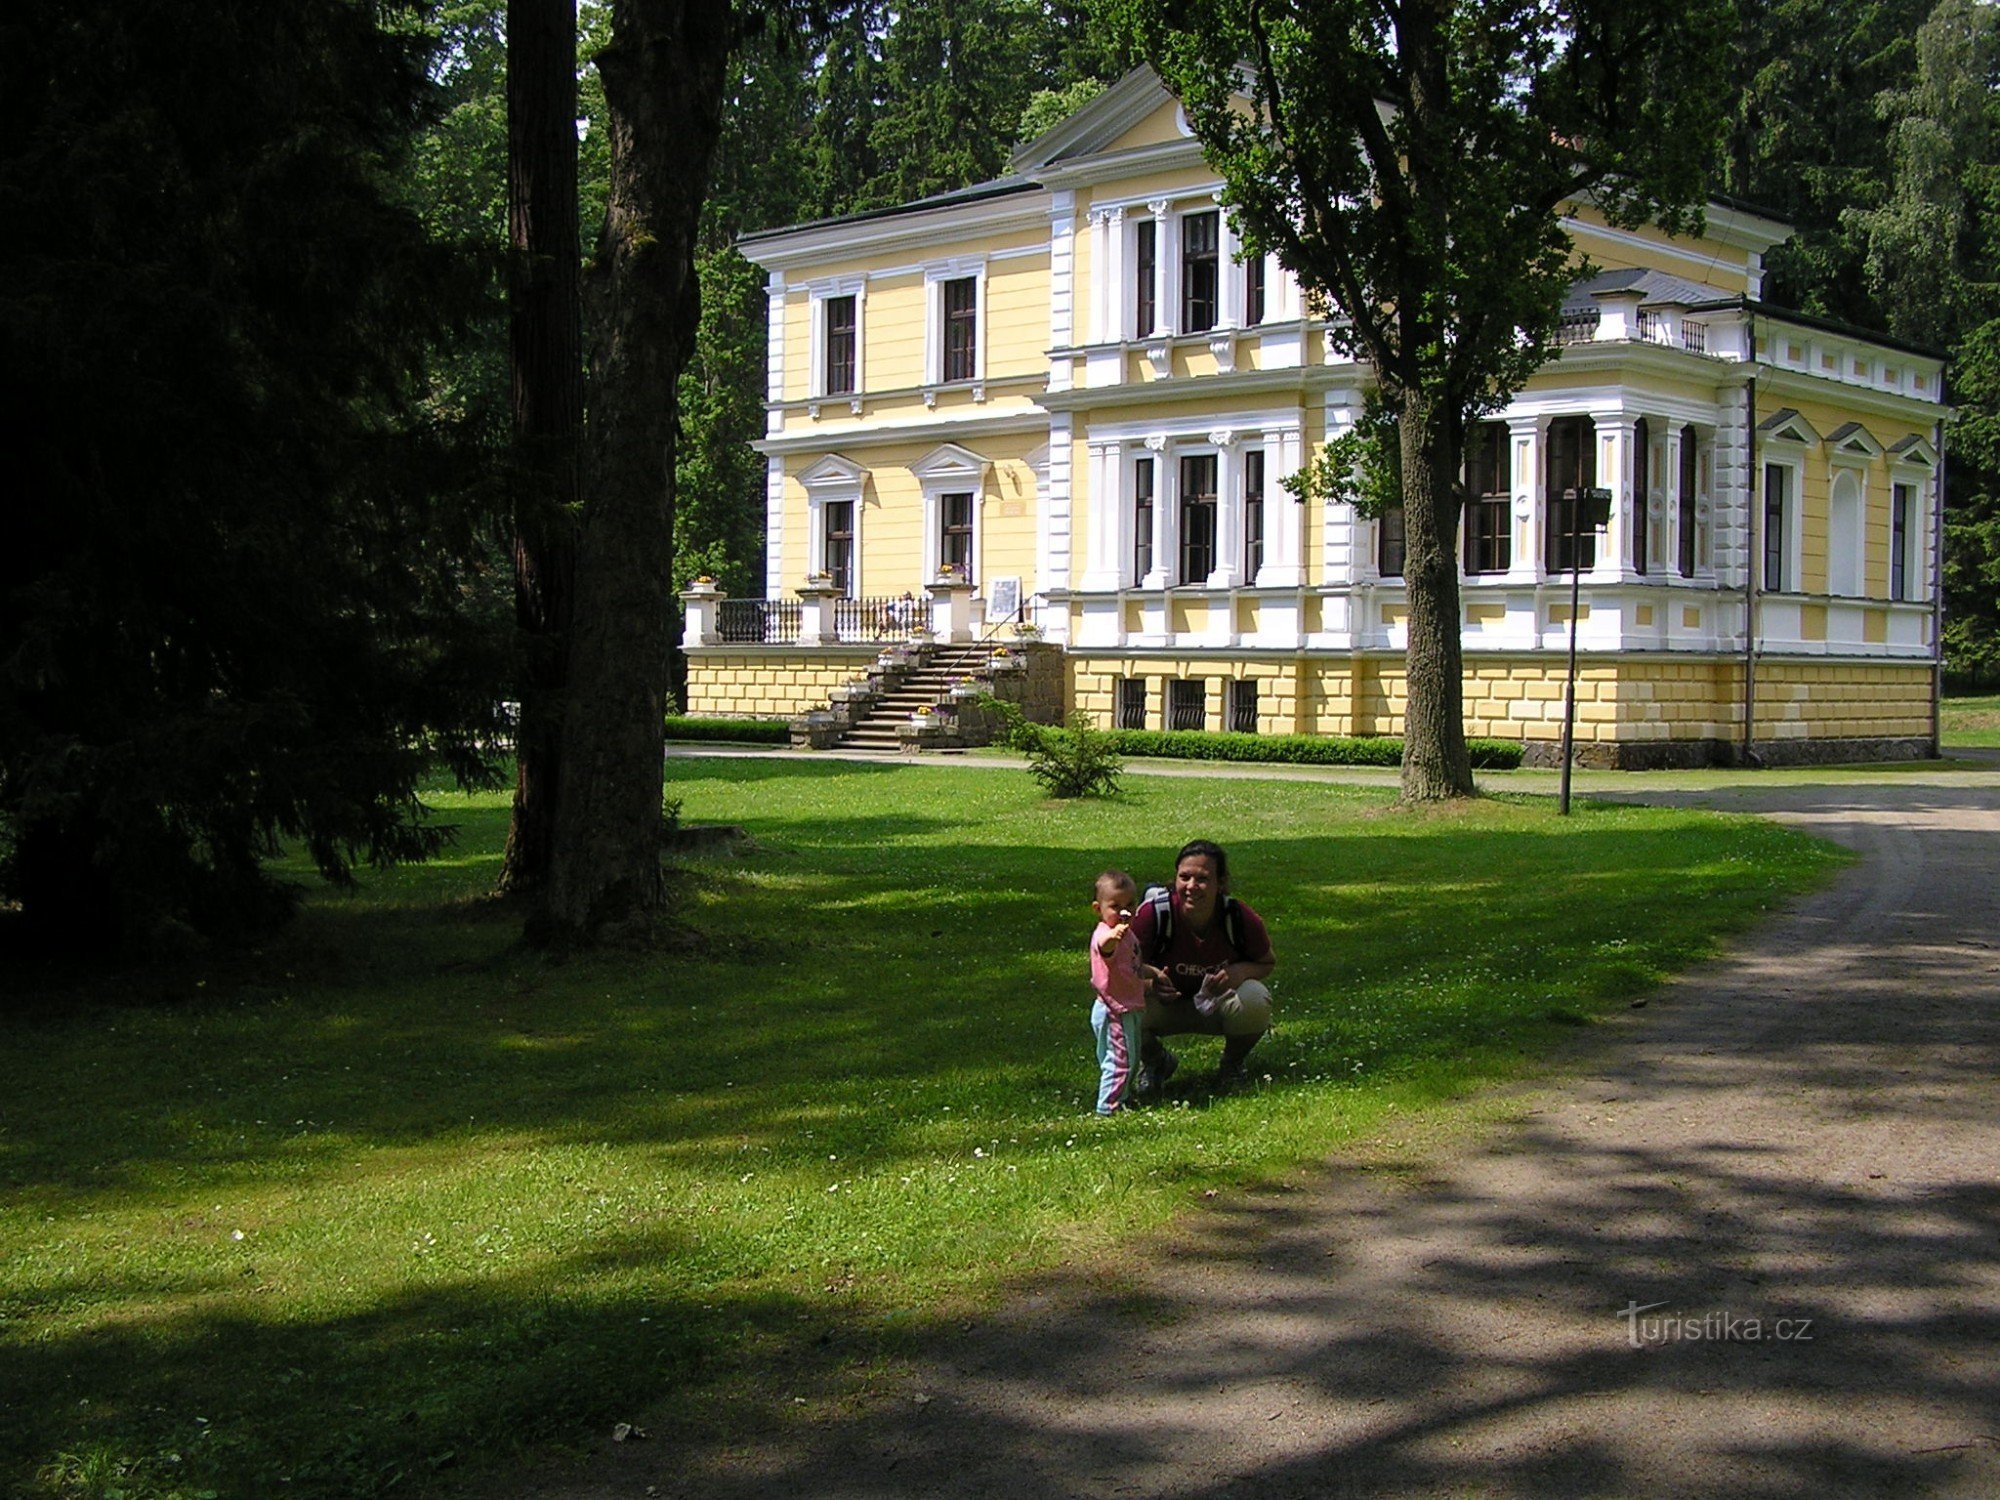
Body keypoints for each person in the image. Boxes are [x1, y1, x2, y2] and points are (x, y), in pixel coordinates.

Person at [1130, 839, 1276, 1093]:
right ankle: (1155, 1063)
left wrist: (1239, 972)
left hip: (1216, 1006)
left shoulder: (1237, 916)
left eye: (1203, 879)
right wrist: (1150, 985)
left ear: (1220, 884)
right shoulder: (1154, 914)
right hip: (1163, 1007)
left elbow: (1266, 961)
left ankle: (1232, 1065)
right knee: (1112, 1005)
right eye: (1184, 877)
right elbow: (1118, 970)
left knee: (1256, 998)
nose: (1191, 887)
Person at [1087, 869, 1157, 1115]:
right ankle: (1108, 1108)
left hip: (1129, 1005)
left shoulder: (1127, 934)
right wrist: (1115, 935)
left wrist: (1154, 973)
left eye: (1130, 904)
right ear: (1099, 909)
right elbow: (1105, 948)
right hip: (1114, 1008)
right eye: (1115, 906)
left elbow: (1131, 964)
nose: (1124, 912)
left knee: (1131, 1056)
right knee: (1120, 1061)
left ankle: (1124, 1097)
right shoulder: (1106, 935)